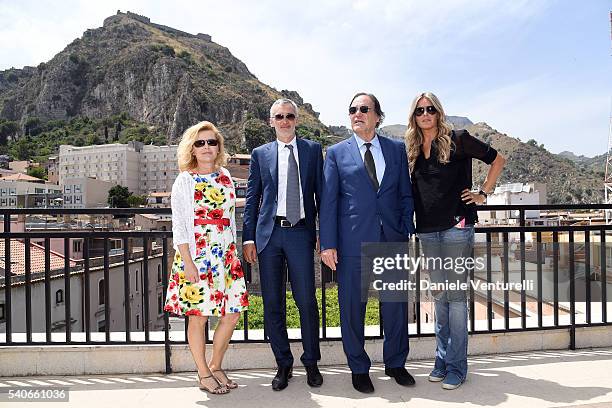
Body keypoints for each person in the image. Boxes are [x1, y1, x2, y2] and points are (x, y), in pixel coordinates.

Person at [405, 92, 505, 390]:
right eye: (420, 110)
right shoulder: (411, 148)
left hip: (456, 227)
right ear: (414, 115)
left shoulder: (458, 138)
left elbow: (498, 159)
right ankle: (442, 359)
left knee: (456, 299)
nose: (426, 113)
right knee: (440, 296)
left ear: (438, 112)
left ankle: (457, 366)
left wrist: (483, 193)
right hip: (427, 230)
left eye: (430, 109)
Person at [320, 92, 415, 394]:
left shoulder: (396, 149)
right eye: (352, 110)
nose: (357, 114)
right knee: (352, 308)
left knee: (395, 306)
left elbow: (404, 194)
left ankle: (396, 364)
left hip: (391, 238)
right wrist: (328, 244)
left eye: (364, 109)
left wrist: (404, 227)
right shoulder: (336, 153)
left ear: (377, 116)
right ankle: (359, 368)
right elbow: (329, 201)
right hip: (352, 242)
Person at [242, 98, 324, 391]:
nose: (285, 120)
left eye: (290, 116)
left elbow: (322, 197)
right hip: (269, 236)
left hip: (301, 234)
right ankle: (283, 363)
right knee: (273, 303)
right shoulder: (260, 154)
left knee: (306, 302)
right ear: (271, 121)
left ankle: (311, 362)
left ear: (296, 120)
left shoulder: (313, 151)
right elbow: (252, 199)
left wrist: (323, 237)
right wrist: (248, 237)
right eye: (279, 116)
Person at [164, 121, 249, 395]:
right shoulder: (185, 180)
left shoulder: (225, 176)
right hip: (197, 256)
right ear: (192, 148)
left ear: (218, 146)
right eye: (200, 143)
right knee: (198, 317)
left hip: (225, 256)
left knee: (232, 313)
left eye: (212, 142)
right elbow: (180, 225)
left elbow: (228, 216)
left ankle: (215, 365)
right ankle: (203, 373)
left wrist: (232, 251)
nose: (206, 147)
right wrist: (187, 261)